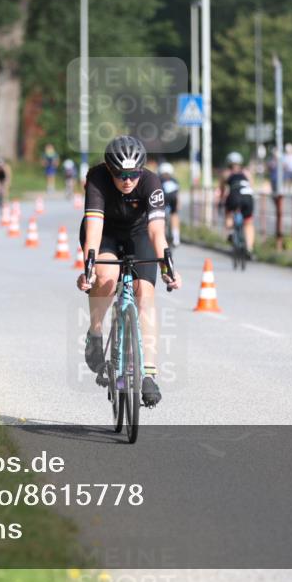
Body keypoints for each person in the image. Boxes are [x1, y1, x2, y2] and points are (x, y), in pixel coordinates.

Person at [76, 136, 182, 408]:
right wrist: (87, 269)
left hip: (139, 234)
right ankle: (96, 333)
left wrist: (168, 267)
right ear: (110, 170)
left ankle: (148, 374)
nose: (128, 180)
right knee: (107, 279)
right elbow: (95, 230)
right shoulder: (97, 179)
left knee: (145, 294)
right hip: (106, 234)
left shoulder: (151, 182)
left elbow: (157, 232)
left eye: (133, 174)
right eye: (121, 175)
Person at [219, 152, 256, 253]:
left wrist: (221, 201)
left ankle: (231, 232)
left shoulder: (226, 173)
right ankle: (249, 248)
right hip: (248, 196)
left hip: (234, 196)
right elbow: (252, 186)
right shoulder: (246, 172)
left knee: (229, 213)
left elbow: (222, 189)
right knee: (248, 222)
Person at [158, 162, 181, 246]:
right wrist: (178, 204)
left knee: (161, 218)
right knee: (174, 215)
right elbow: (177, 194)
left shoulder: (159, 179)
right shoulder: (174, 180)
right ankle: (176, 237)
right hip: (172, 199)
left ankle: (163, 237)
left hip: (163, 199)